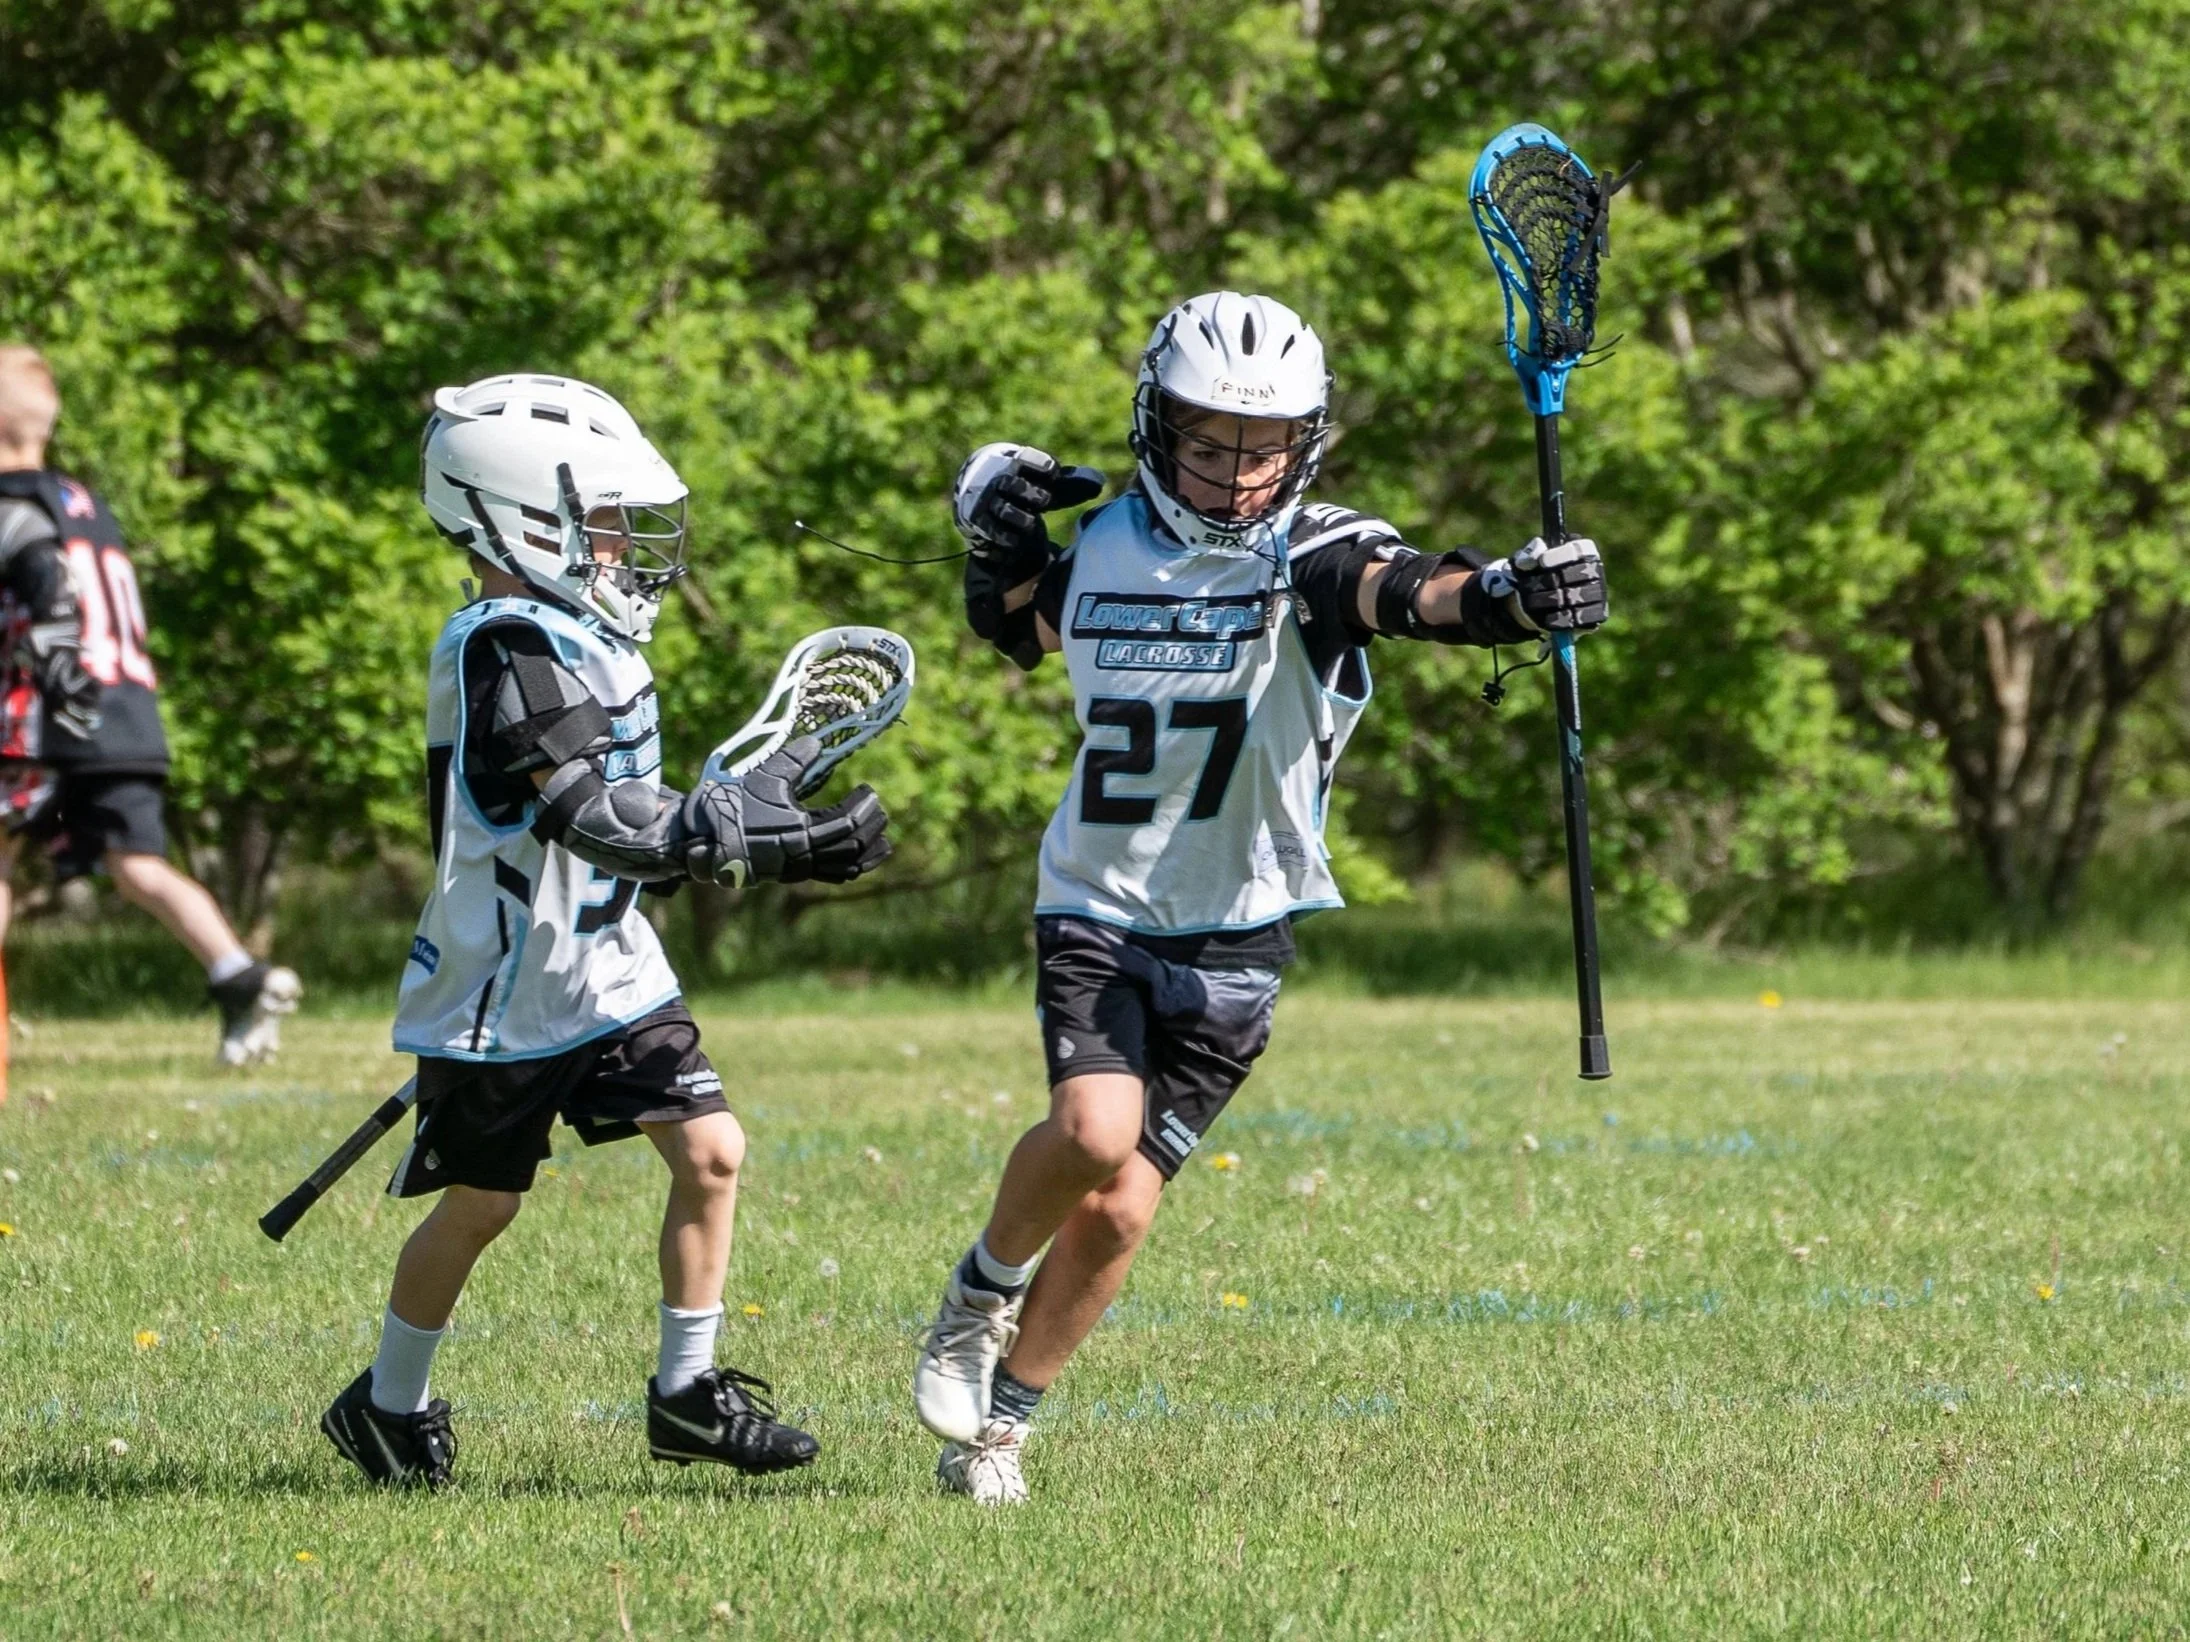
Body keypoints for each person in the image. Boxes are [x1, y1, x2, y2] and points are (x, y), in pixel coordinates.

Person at [912, 292, 1609, 1504]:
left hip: (1241, 923)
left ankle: (1001, 1431)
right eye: (1210, 440)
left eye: (1266, 445)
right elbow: (1015, 621)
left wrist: (1507, 595)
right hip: (1099, 898)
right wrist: (992, 524)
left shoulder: (1312, 551)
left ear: (1308, 442)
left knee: (1123, 1210)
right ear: (1154, 425)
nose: (1238, 472)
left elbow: (1407, 590)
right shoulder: (1112, 545)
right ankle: (977, 1291)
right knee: (1092, 1134)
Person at [319, 374, 892, 1490]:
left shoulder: (588, 636)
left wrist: (752, 815)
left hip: (611, 968)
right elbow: (598, 816)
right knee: (482, 1204)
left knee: (713, 1149)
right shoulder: (505, 644)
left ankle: (686, 1393)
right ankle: (388, 1405)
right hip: (505, 988)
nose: (629, 551)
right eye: (608, 527)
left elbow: (647, 830)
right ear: (523, 518)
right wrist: (772, 845)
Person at [0, 345, 300, 1066]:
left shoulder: (11, 506)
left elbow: (48, 598)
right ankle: (236, 972)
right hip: (125, 708)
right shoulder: (82, 501)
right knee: (139, 866)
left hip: (49, 710)